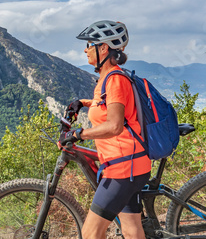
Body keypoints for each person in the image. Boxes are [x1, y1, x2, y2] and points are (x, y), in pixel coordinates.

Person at [58, 20, 151, 239]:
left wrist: (78, 134)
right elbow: (108, 105)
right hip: (130, 164)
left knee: (90, 233)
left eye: (90, 44)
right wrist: (82, 102)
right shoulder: (109, 77)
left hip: (122, 169)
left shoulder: (115, 80)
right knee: (131, 229)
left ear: (103, 48)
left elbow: (114, 125)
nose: (85, 49)